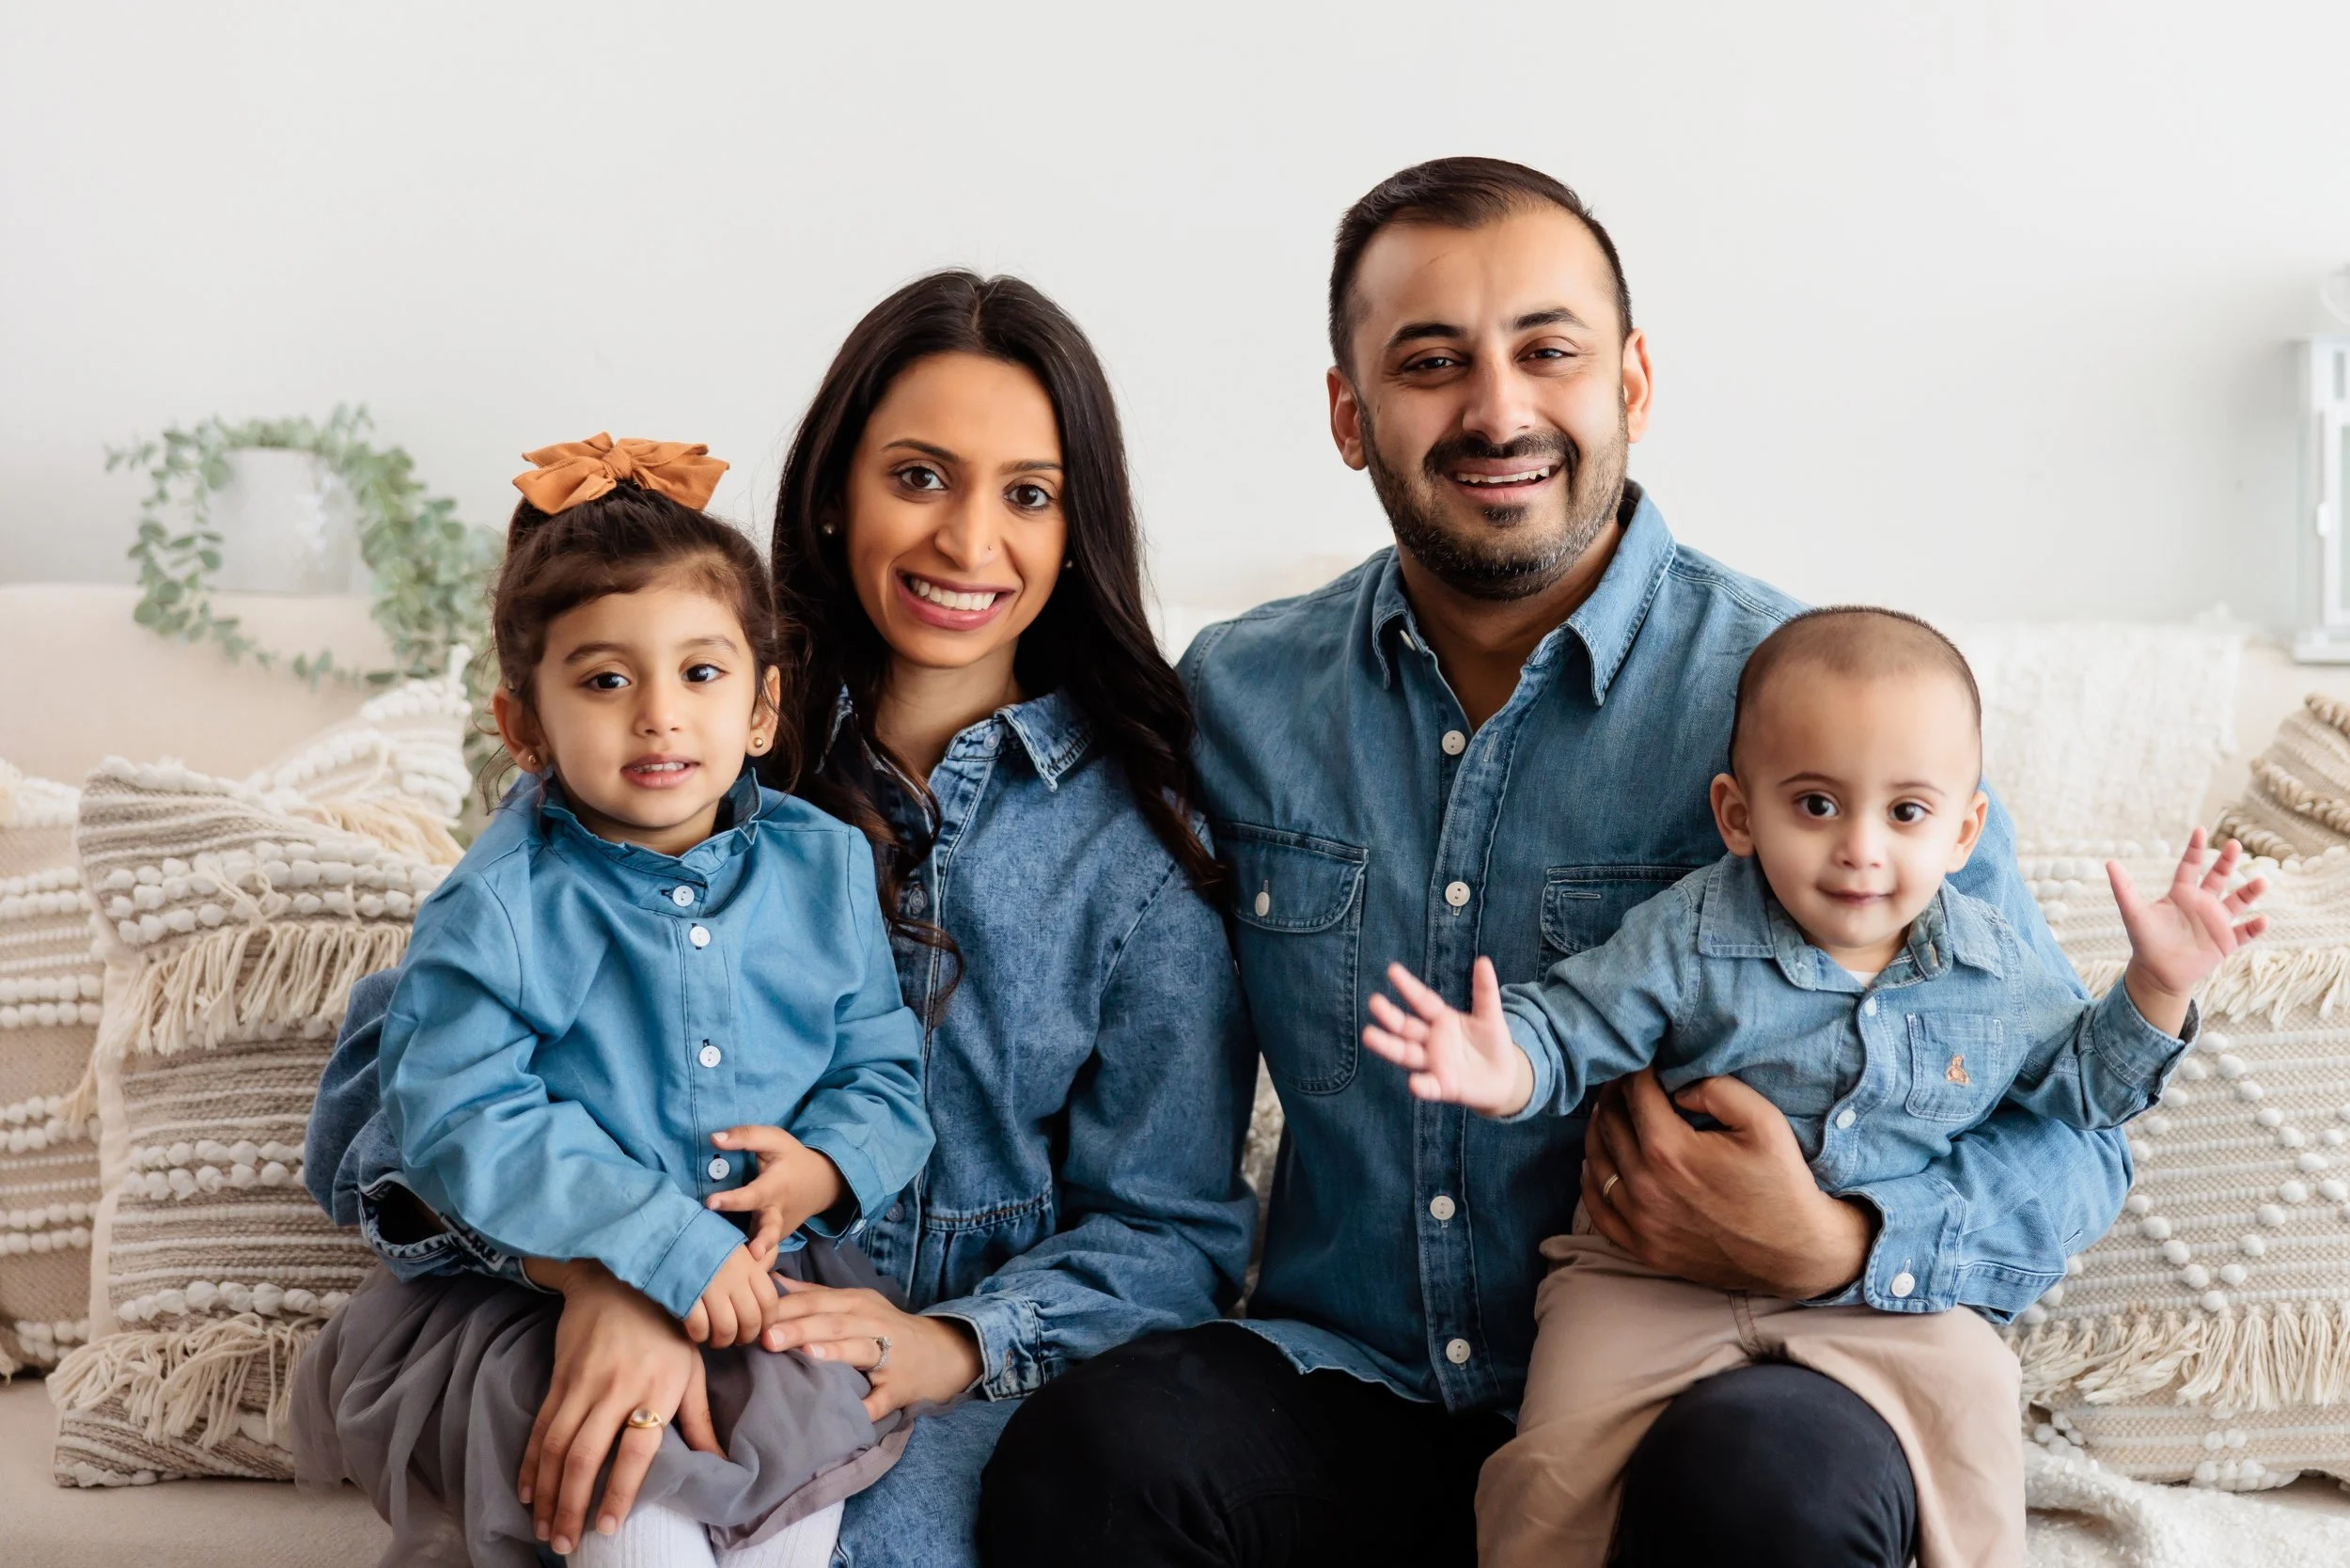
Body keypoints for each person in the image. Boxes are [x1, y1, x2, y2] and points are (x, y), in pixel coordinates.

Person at [976, 158, 2140, 1568]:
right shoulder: (1241, 696)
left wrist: (1839, 1241)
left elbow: (2070, 1123)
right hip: (1362, 1376)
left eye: (1549, 352)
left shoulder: (1822, 710)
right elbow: (1057, 928)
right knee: (1094, 1463)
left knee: (1765, 1486)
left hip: (1721, 1382)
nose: (1498, 410)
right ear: (1351, 414)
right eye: (1431, 362)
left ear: (1632, 384)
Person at [302, 272, 1258, 1568]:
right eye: (920, 477)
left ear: (1077, 526)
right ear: (832, 491)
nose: (971, 544)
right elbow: (394, 1105)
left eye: (1027, 494)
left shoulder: (1138, 848)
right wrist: (605, 1271)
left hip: (918, 1390)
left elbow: (1170, 1234)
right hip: (618, 1332)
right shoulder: (670, 748)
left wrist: (953, 1344)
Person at [1363, 606, 2267, 1567]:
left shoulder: (1994, 969)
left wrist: (2157, 986)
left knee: (1973, 1393)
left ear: (1965, 832)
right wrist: (1502, 1066)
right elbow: (1571, 1023)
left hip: (1886, 1299)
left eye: (1905, 812)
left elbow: (2081, 1092)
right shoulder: (1688, 935)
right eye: (1817, 806)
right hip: (1649, 1278)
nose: (1861, 849)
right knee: (1547, 1473)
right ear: (1737, 815)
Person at [292, 436, 936, 1568]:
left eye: (699, 673)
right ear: (524, 727)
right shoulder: (499, 905)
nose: (657, 716)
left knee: (789, 1538)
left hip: (769, 1303)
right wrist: (650, 1240)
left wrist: (829, 1163)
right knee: (632, 1531)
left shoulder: (824, 869)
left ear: (761, 707)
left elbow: (880, 1066)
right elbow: (460, 1117)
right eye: (604, 679)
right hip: (554, 1307)